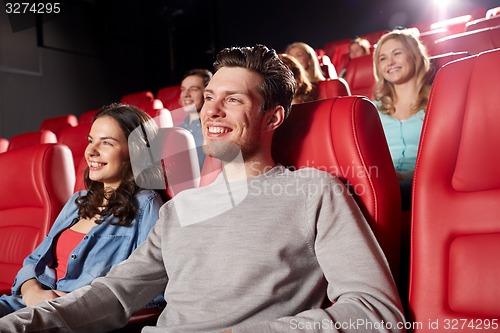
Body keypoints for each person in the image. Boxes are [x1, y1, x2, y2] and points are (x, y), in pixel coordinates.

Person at [0, 44, 405, 333]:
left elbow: (375, 313)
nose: (210, 110)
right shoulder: (179, 209)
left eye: (233, 100)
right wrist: (22, 322)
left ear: (272, 117)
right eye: (209, 97)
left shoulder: (314, 192)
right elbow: (114, 292)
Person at [0, 103, 164, 317]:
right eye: (90, 141)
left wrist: (78, 304)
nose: (91, 152)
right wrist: (32, 293)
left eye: (106, 143)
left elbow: (152, 288)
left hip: (74, 317)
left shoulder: (146, 205)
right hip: (26, 304)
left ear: (136, 152)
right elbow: (34, 260)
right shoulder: (78, 201)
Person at [372, 29, 432, 209]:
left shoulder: (438, 101)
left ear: (415, 57)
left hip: (426, 183)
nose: (390, 62)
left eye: (396, 53)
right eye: (382, 58)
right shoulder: (371, 110)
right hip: (383, 184)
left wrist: (412, 175)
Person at [178, 68, 213, 171]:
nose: (186, 94)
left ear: (207, 94)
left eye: (193, 89)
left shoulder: (212, 130)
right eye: (183, 89)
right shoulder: (177, 129)